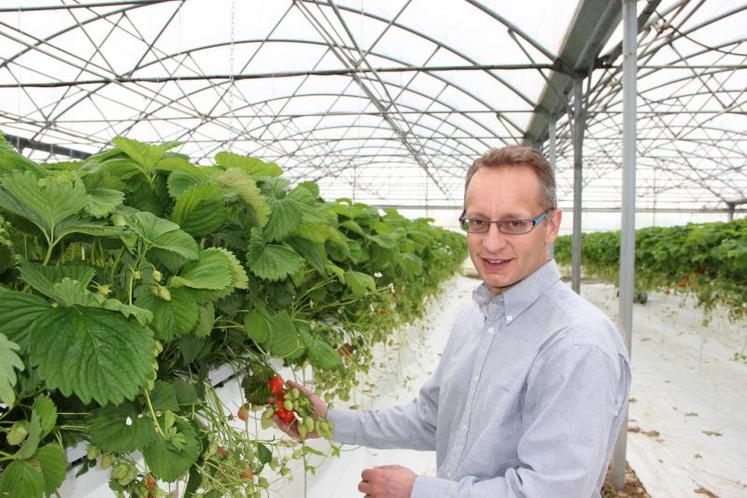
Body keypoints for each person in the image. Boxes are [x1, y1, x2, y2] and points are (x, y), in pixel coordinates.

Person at [275, 145, 632, 498]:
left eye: (514, 223)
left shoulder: (577, 345)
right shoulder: (475, 318)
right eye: (478, 222)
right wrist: (329, 423)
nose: (491, 243)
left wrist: (418, 492)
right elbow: (433, 419)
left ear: (551, 224)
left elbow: (550, 493)